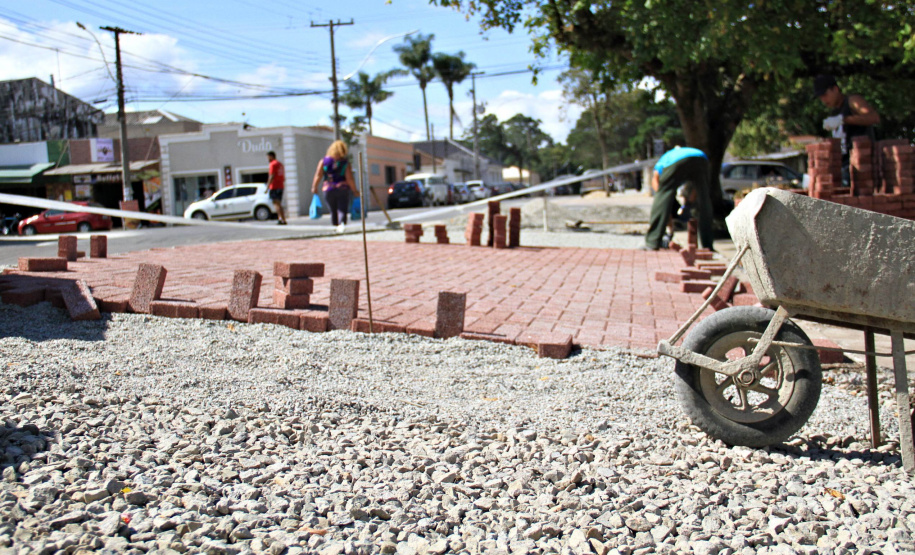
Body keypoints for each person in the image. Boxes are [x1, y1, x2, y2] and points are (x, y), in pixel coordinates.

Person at [813, 74, 880, 184]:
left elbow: (874, 117)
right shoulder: (834, 112)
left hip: (862, 163)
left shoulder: (852, 101)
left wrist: (844, 120)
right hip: (844, 166)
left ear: (835, 89)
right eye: (821, 97)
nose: (823, 100)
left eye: (825, 95)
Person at [644, 146, 714, 251]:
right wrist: (689, 202)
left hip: (677, 161)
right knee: (704, 200)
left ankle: (652, 242)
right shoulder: (689, 151)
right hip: (701, 158)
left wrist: (663, 200)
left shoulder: (666, 157)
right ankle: (708, 245)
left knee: (662, 196)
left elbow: (655, 179)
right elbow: (696, 190)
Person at [312, 140, 360, 232]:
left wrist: (314, 186)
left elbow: (318, 175)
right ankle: (341, 227)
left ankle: (334, 227)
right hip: (342, 189)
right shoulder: (345, 163)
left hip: (328, 189)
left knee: (333, 210)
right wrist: (355, 190)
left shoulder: (324, 161)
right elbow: (349, 178)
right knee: (342, 209)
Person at [266, 151, 287, 225]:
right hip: (281, 186)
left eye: (268, 157)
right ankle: (283, 219)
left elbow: (272, 175)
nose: (267, 159)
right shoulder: (280, 164)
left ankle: (281, 218)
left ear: (271, 156)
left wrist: (267, 186)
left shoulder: (272, 164)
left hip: (274, 186)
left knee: (276, 203)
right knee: (279, 203)